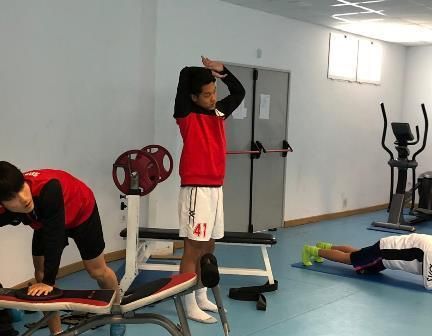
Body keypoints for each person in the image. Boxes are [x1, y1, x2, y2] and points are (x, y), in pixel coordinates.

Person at [0, 162, 126, 336]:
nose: (22, 197)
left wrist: (49, 282)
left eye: (21, 187)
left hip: (81, 211)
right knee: (40, 273)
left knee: (97, 271)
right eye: (12, 197)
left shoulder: (48, 189)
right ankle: (57, 332)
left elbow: (55, 239)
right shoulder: (6, 207)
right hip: (45, 222)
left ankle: (117, 314)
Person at [174, 56, 245, 323]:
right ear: (193, 97)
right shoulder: (187, 116)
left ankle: (201, 294)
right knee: (193, 246)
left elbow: (239, 92)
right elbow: (184, 76)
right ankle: (188, 301)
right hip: (196, 190)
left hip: (216, 188)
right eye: (206, 94)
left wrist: (221, 71)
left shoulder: (218, 113)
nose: (213, 98)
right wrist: (199, 70)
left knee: (210, 245)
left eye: (214, 92)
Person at [302, 233, 432, 289]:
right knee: (349, 259)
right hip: (383, 253)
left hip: (387, 249)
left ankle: (327, 246)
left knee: (358, 253)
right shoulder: (430, 253)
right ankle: (311, 250)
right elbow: (429, 285)